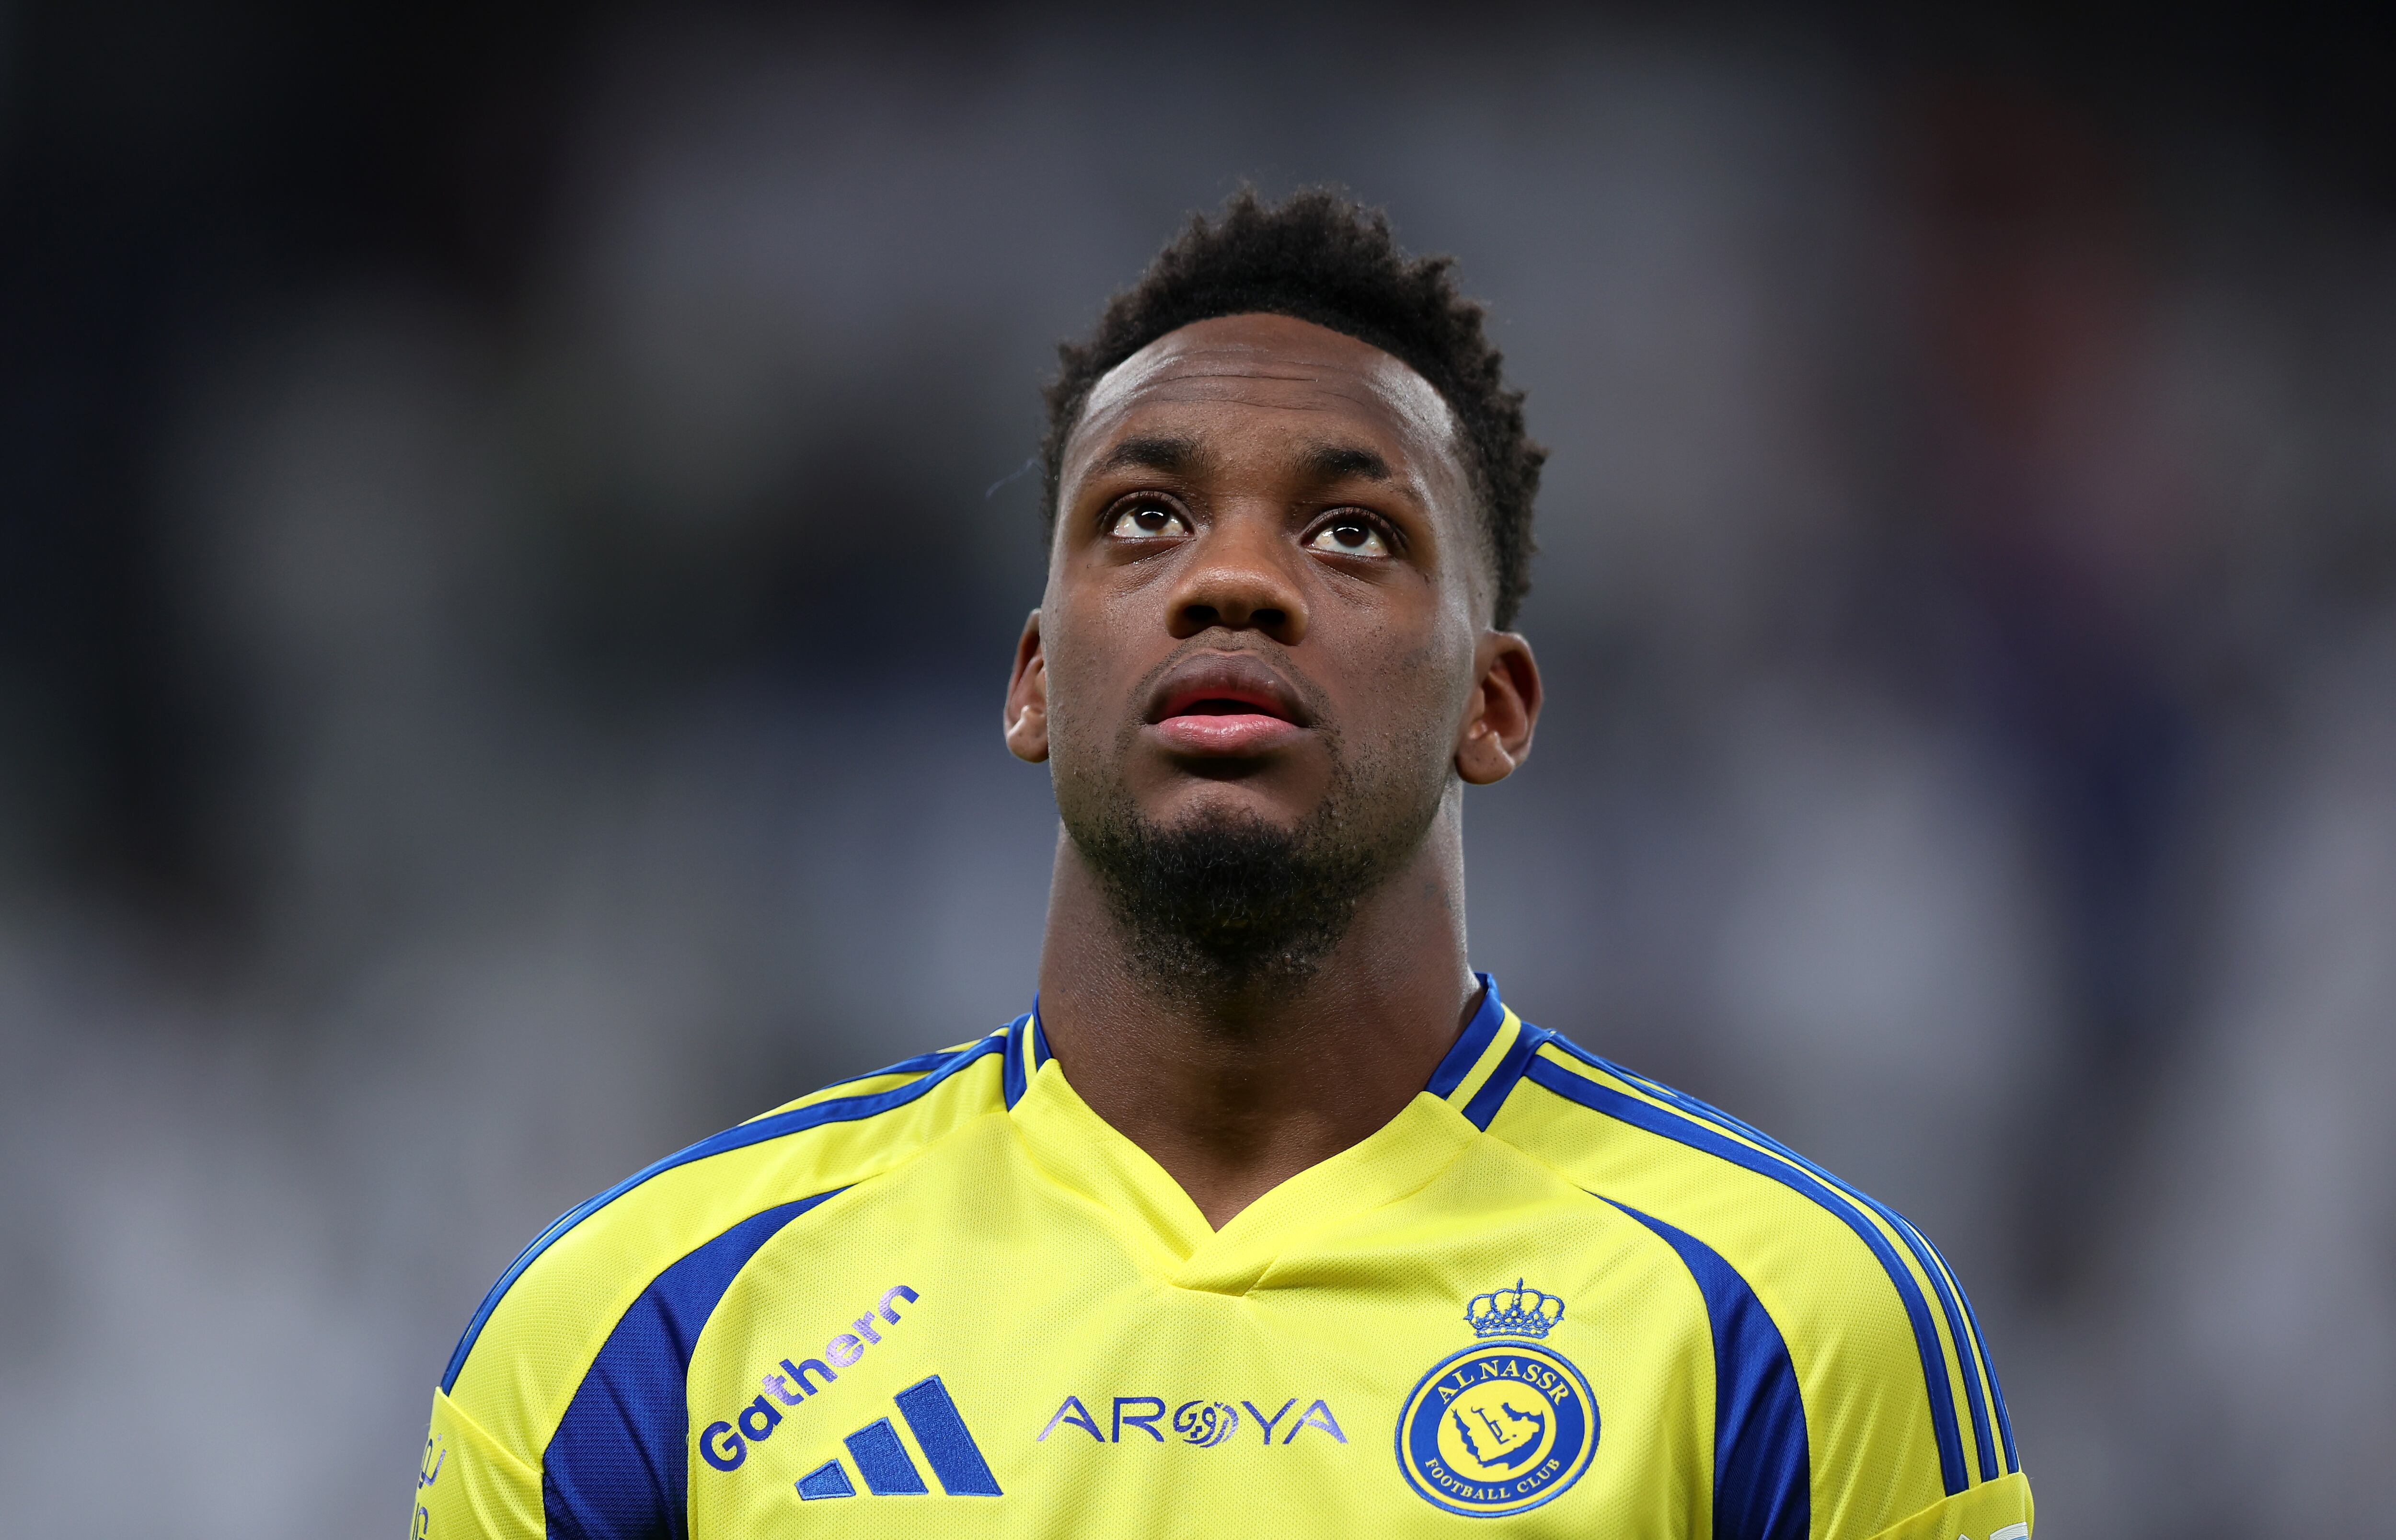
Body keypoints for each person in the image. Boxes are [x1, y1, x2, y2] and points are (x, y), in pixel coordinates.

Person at [411, 189, 2032, 1540]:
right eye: (1143, 518)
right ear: (1035, 679)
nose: (1235, 581)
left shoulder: (1797, 1333)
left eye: (1350, 535)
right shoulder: (639, 1341)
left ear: (1496, 703)